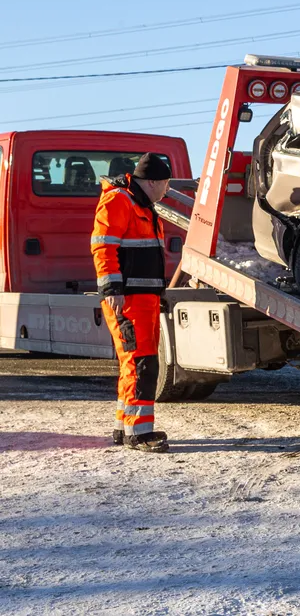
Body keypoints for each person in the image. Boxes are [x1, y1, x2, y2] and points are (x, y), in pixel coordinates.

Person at [91, 153, 172, 453]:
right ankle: (139, 434)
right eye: (165, 183)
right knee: (141, 364)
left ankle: (126, 425)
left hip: (143, 299)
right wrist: (112, 288)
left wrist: (157, 295)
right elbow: (103, 247)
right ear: (151, 182)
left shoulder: (142, 206)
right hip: (128, 300)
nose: (167, 189)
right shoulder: (120, 201)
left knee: (135, 363)